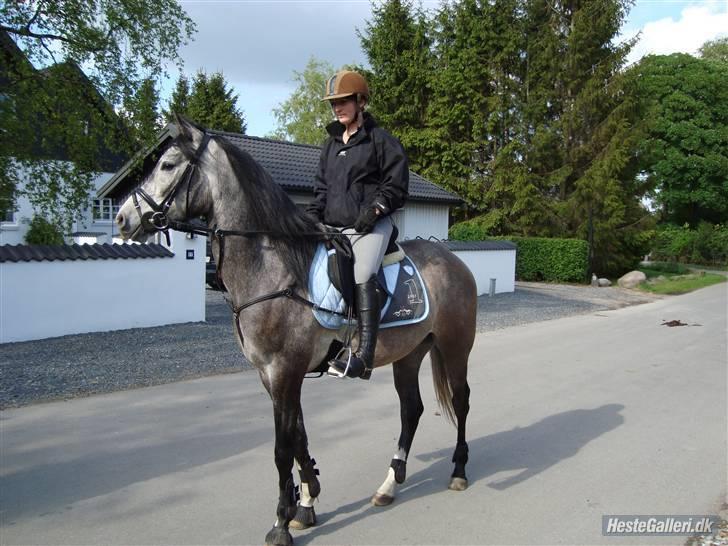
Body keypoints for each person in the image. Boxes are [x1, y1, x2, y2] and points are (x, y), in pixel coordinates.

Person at [307, 70, 409, 380]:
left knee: (363, 272)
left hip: (370, 226)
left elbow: (396, 184)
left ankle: (363, 355)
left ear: (360, 101)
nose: (337, 108)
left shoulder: (381, 140)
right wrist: (312, 216)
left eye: (343, 101)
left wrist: (375, 209)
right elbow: (321, 188)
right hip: (335, 228)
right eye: (333, 103)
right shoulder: (330, 144)